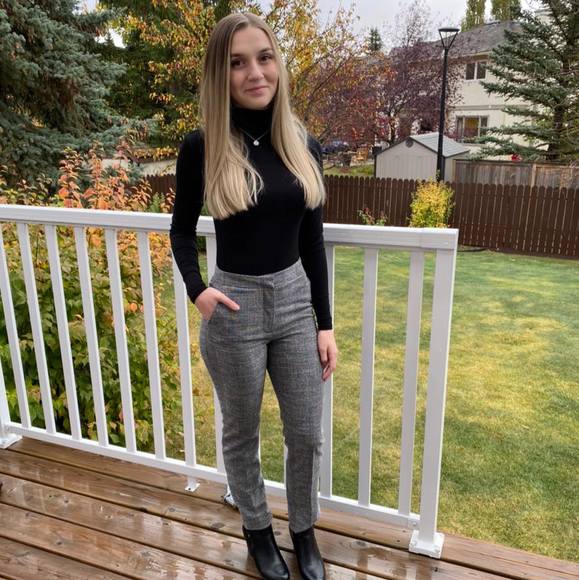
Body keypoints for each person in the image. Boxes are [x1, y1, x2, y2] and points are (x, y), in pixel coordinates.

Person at [170, 12, 338, 580]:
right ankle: (257, 529)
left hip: (294, 303)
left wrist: (324, 323)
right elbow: (181, 230)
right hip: (234, 306)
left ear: (278, 64)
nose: (254, 72)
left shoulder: (303, 144)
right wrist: (199, 291)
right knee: (242, 431)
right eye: (237, 63)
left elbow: (312, 242)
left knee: (306, 433)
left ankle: (304, 532)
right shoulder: (202, 146)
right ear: (221, 75)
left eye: (264, 58)